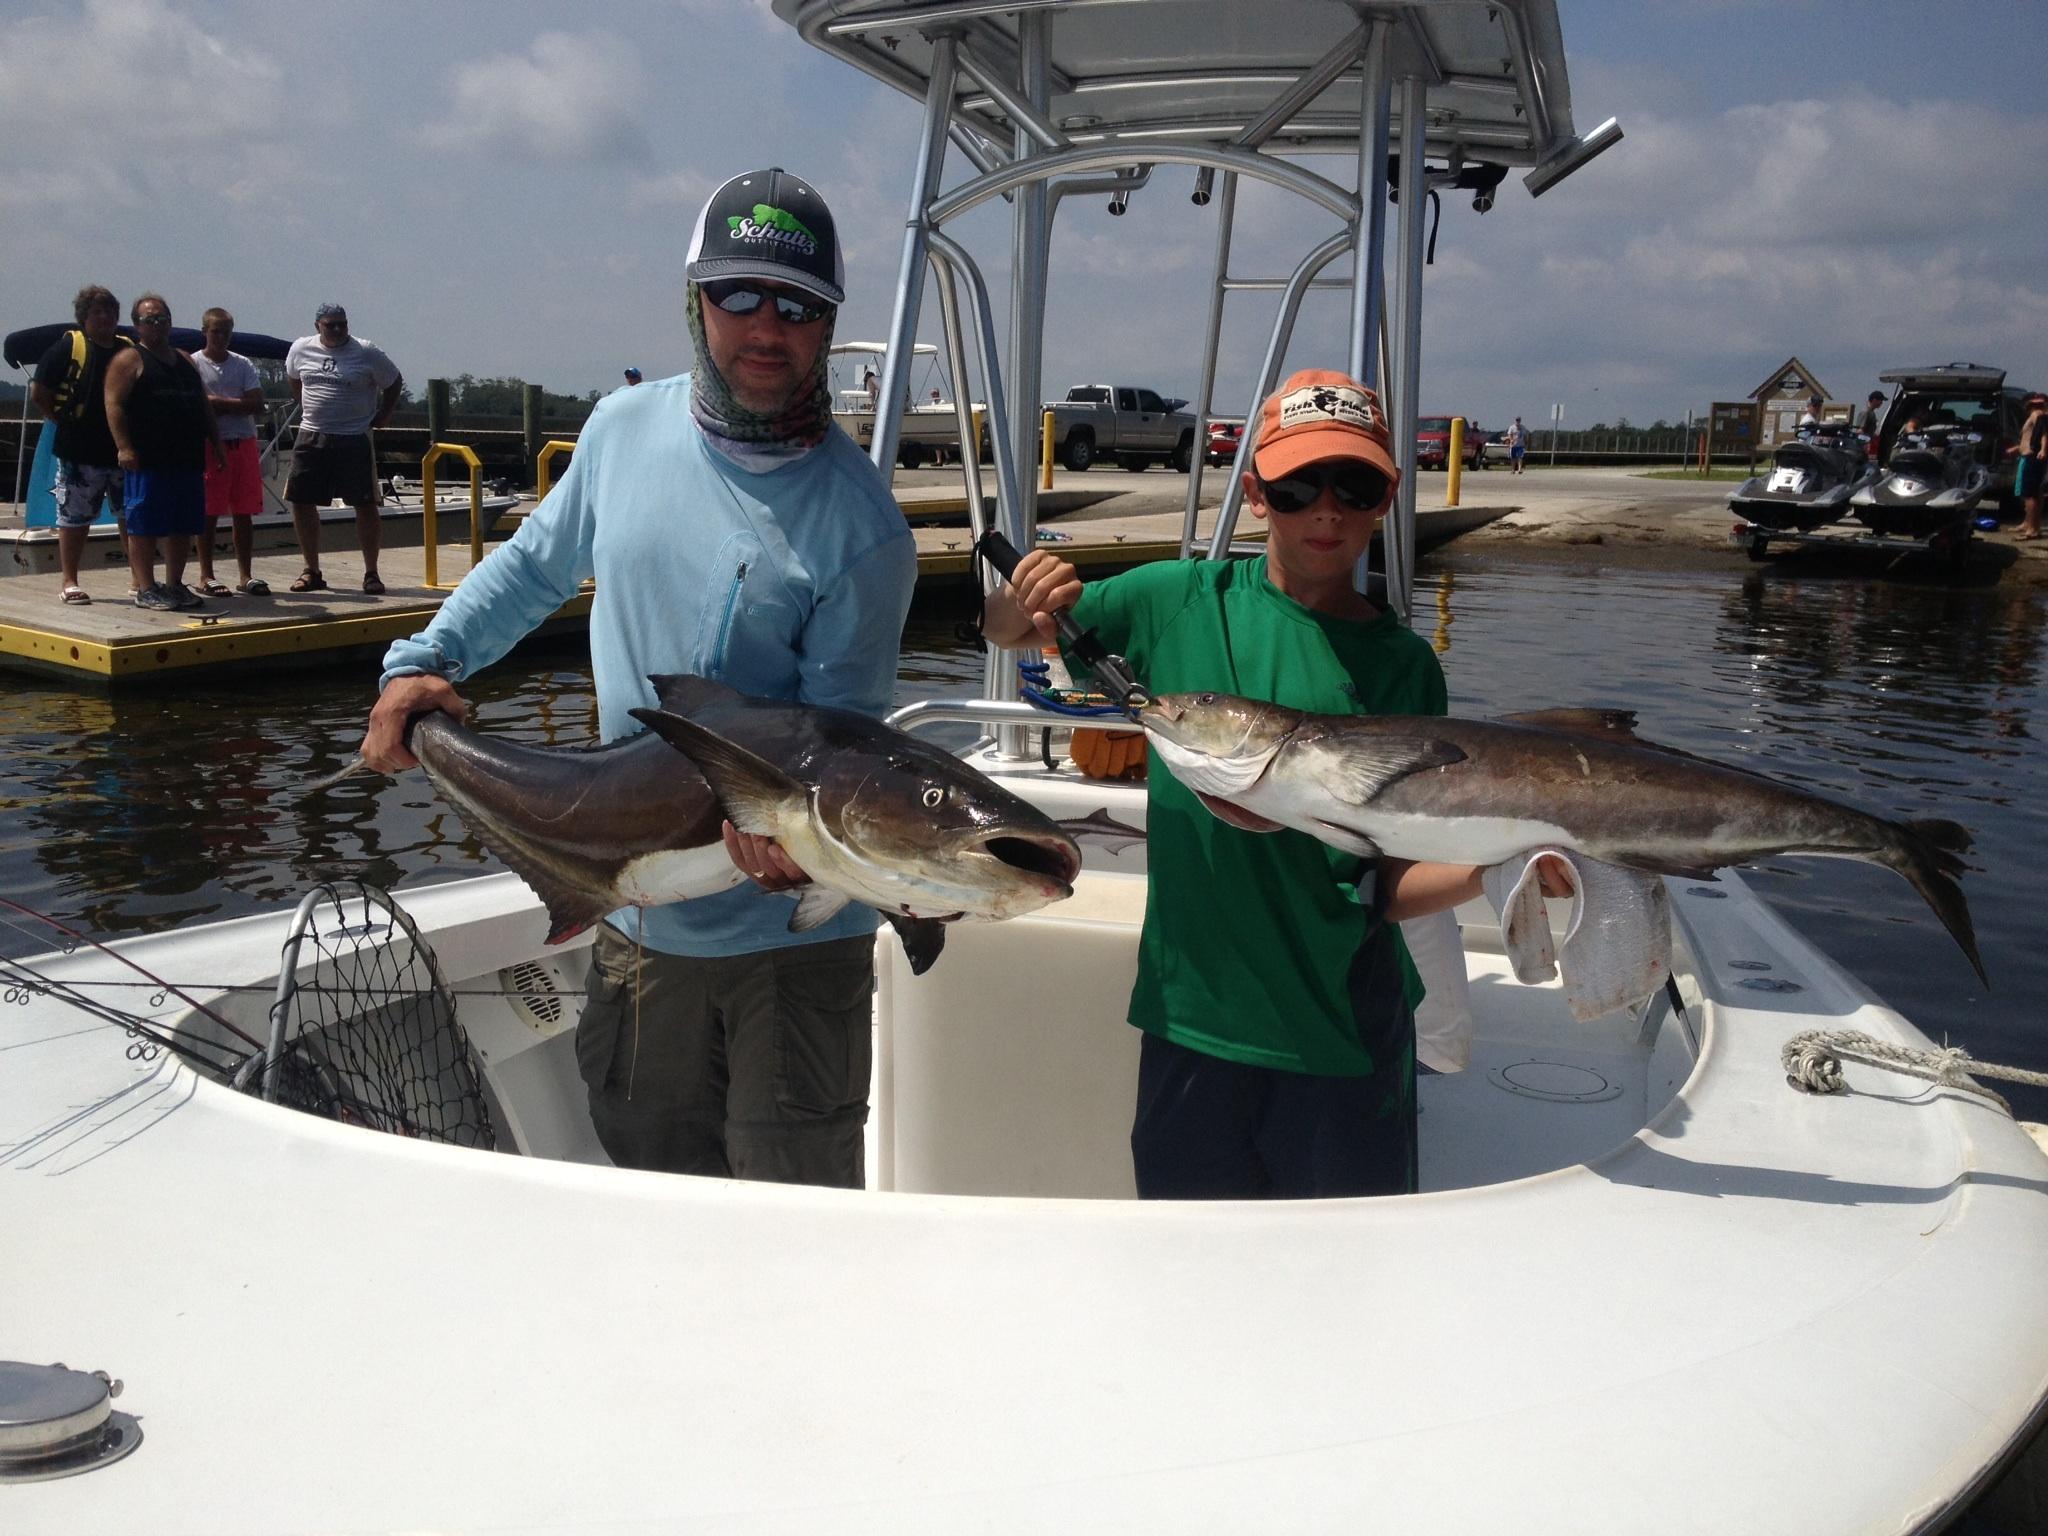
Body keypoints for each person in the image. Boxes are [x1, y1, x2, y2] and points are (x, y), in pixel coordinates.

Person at [360, 167, 916, 1188]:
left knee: (791, 1202)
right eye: (736, 295)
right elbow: (531, 568)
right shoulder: (621, 433)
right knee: (647, 1178)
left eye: (797, 305)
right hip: (630, 916)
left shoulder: (864, 529)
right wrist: (423, 666)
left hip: (789, 950)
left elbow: (833, 740)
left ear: (827, 325)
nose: (765, 325)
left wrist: (790, 838)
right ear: (693, 300)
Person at [981, 368, 1570, 1201]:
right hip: (1193, 1020)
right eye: (1298, 486)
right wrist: (1011, 609)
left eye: (1354, 484)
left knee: (1344, 1287)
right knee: (1194, 1274)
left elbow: (1390, 877)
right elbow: (1019, 632)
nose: (1326, 509)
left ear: (1387, 498)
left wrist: (1501, 866)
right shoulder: (1176, 601)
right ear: (1256, 495)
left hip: (1346, 1035)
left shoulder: (1403, 667)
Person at [104, 294, 224, 611]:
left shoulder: (185, 359)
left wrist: (216, 440)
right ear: (137, 326)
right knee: (143, 525)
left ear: (169, 322)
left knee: (182, 525)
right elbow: (113, 405)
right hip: (148, 458)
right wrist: (124, 447)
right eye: (149, 320)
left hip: (186, 456)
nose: (156, 325)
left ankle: (174, 584)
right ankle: (146, 587)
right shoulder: (129, 360)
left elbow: (202, 404)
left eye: (161, 319)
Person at [283, 303, 402, 595]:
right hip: (312, 433)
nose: (337, 330)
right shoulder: (300, 348)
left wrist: (384, 415)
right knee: (301, 500)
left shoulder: (366, 351)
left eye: (342, 324)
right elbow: (294, 379)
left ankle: (371, 572)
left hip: (353, 435)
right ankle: (311, 570)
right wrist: (310, 407)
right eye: (330, 325)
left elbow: (394, 381)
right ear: (317, 327)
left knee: (365, 504)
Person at [29, 285, 129, 605]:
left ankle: (141, 579)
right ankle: (69, 580)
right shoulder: (68, 348)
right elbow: (39, 392)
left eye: (110, 311)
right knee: (74, 519)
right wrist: (60, 419)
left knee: (132, 515)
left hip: (122, 449)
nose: (105, 318)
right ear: (84, 317)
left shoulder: (128, 349)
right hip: (78, 450)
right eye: (97, 312)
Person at [191, 307, 270, 596]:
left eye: (226, 332)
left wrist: (218, 403)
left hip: (244, 442)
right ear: (205, 332)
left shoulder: (243, 364)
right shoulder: (195, 364)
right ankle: (206, 574)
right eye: (216, 331)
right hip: (212, 444)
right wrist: (232, 404)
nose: (221, 337)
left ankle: (245, 574)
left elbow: (256, 404)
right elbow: (198, 405)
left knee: (244, 511)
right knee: (209, 512)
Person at [2014, 393, 2047, 541]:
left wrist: (2043, 450)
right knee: (2031, 492)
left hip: (2032, 457)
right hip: (2029, 456)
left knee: (2030, 493)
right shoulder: (2036, 416)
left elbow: (2045, 434)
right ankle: (2029, 525)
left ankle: (2032, 529)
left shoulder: (2038, 415)